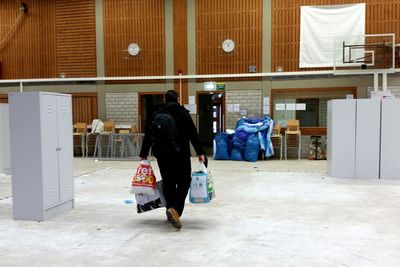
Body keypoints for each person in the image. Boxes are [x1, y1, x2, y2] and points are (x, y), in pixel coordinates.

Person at [139, 90, 205, 229]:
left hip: (162, 154)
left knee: (168, 182)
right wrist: (200, 152)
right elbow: (193, 133)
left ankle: (169, 209)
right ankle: (175, 209)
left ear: (165, 99)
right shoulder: (182, 113)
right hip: (180, 154)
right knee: (184, 180)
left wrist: (144, 153)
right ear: (178, 99)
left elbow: (148, 135)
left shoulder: (156, 114)